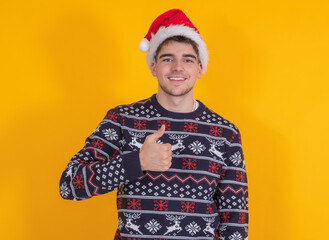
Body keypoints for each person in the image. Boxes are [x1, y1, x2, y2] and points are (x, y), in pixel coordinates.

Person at [59, 9, 248, 240]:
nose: (178, 67)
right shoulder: (122, 120)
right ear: (153, 67)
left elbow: (235, 221)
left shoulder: (226, 133)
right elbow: (69, 185)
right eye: (167, 59)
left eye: (187, 59)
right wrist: (136, 161)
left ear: (199, 68)